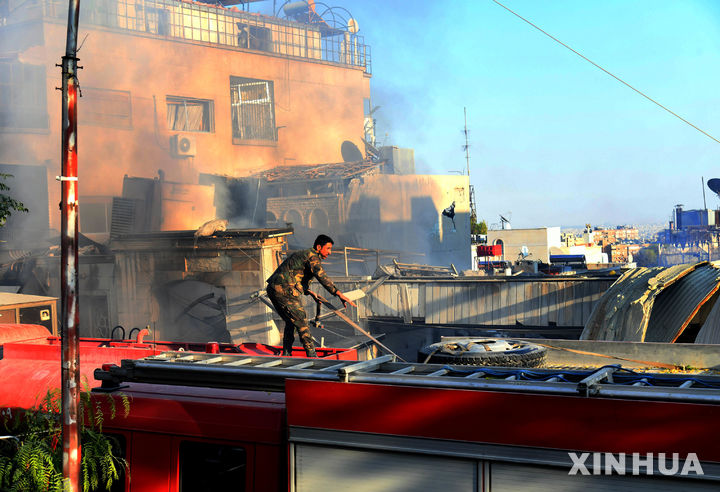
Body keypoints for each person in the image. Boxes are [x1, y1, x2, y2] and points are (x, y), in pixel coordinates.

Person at [266, 234, 356, 357]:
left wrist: (309, 292)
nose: (330, 252)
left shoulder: (306, 254)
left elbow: (295, 276)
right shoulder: (312, 256)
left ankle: (287, 353)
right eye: (328, 248)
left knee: (291, 321)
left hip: (276, 288)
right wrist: (338, 293)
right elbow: (322, 276)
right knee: (301, 319)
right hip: (283, 290)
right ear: (319, 247)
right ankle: (312, 356)